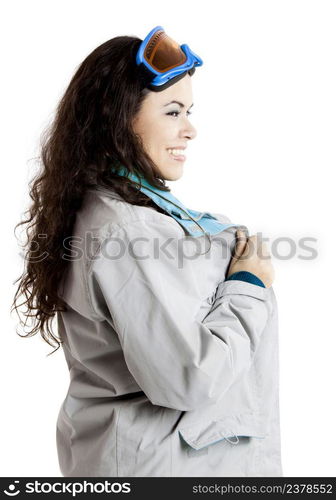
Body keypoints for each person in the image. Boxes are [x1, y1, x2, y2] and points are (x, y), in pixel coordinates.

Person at [12, 26, 282, 477]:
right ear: (119, 119)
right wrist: (248, 284)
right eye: (173, 111)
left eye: (189, 111)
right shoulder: (129, 229)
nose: (190, 129)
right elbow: (189, 378)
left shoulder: (113, 210)